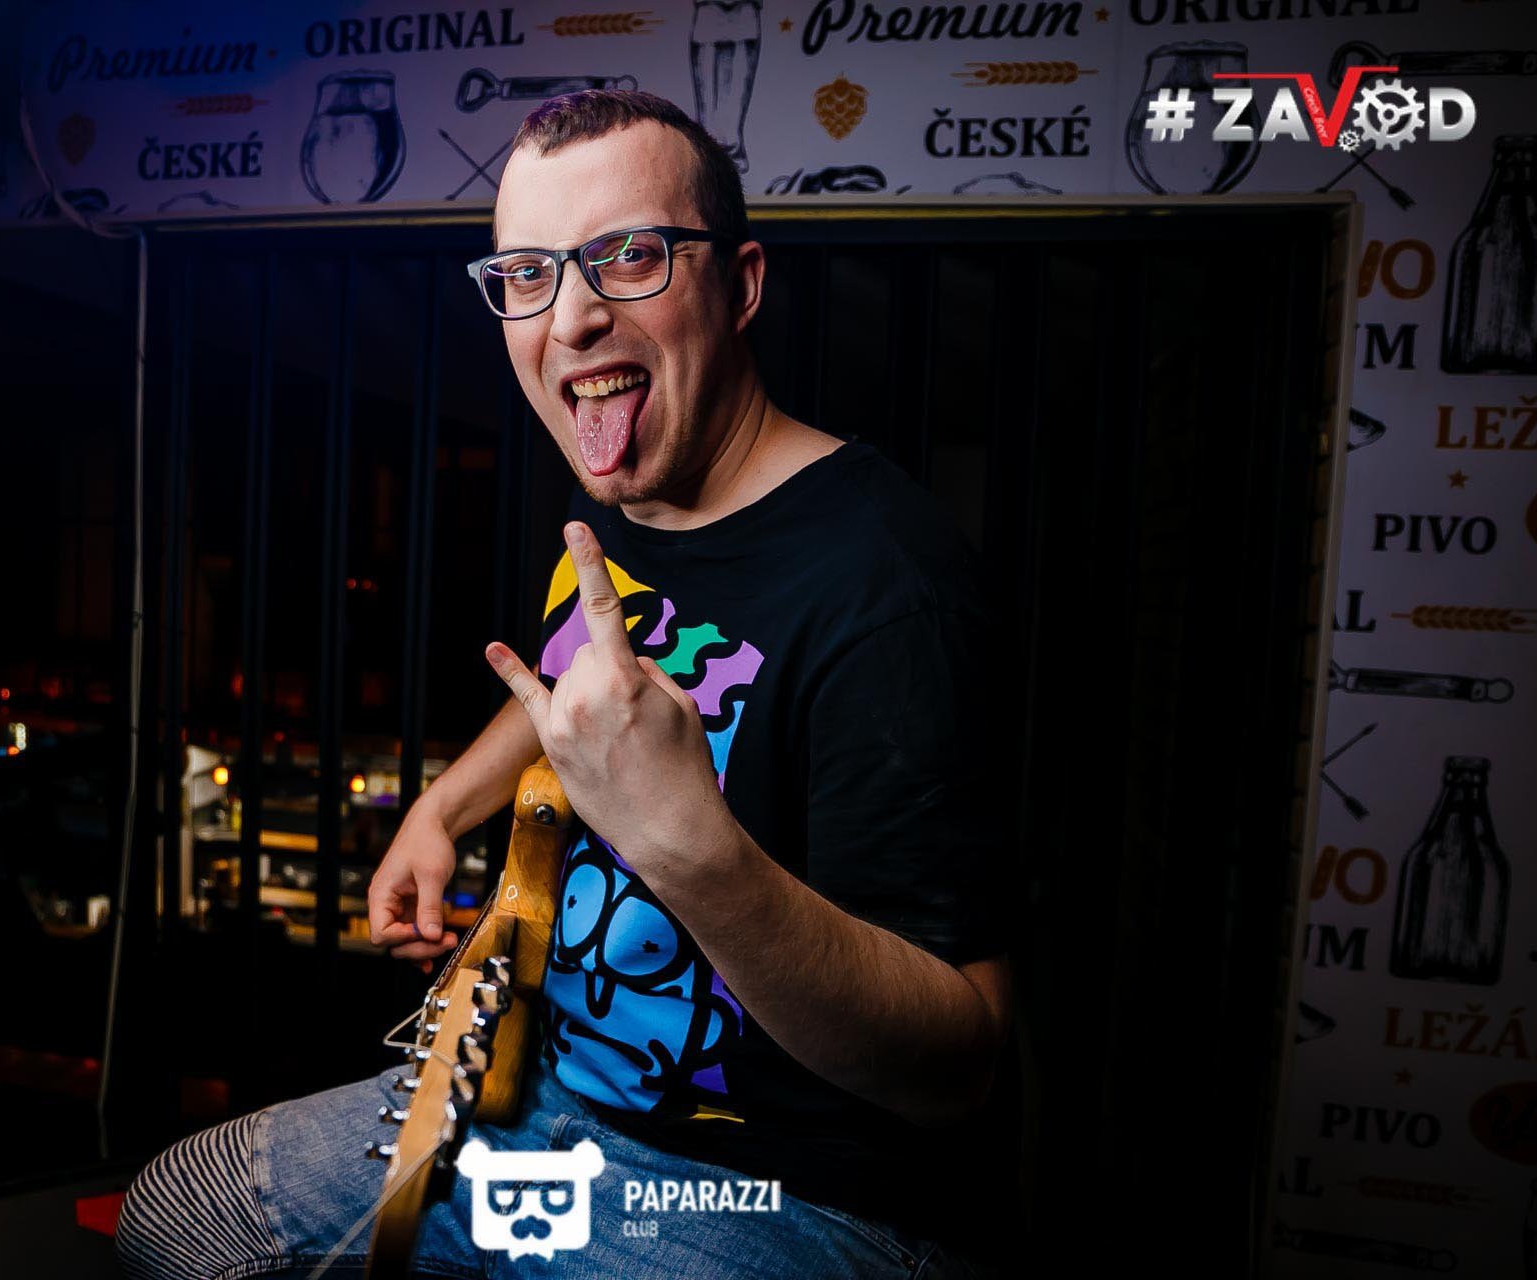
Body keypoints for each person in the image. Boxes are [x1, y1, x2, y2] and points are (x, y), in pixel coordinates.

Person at [115, 89, 1016, 1280]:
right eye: (529, 274)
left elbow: (960, 1064)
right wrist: (444, 806)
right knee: (180, 1213)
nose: (574, 317)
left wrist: (688, 843)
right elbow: (582, 687)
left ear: (740, 285)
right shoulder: (632, 496)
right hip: (544, 1102)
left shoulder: (888, 588)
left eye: (629, 255)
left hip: (787, 1191)